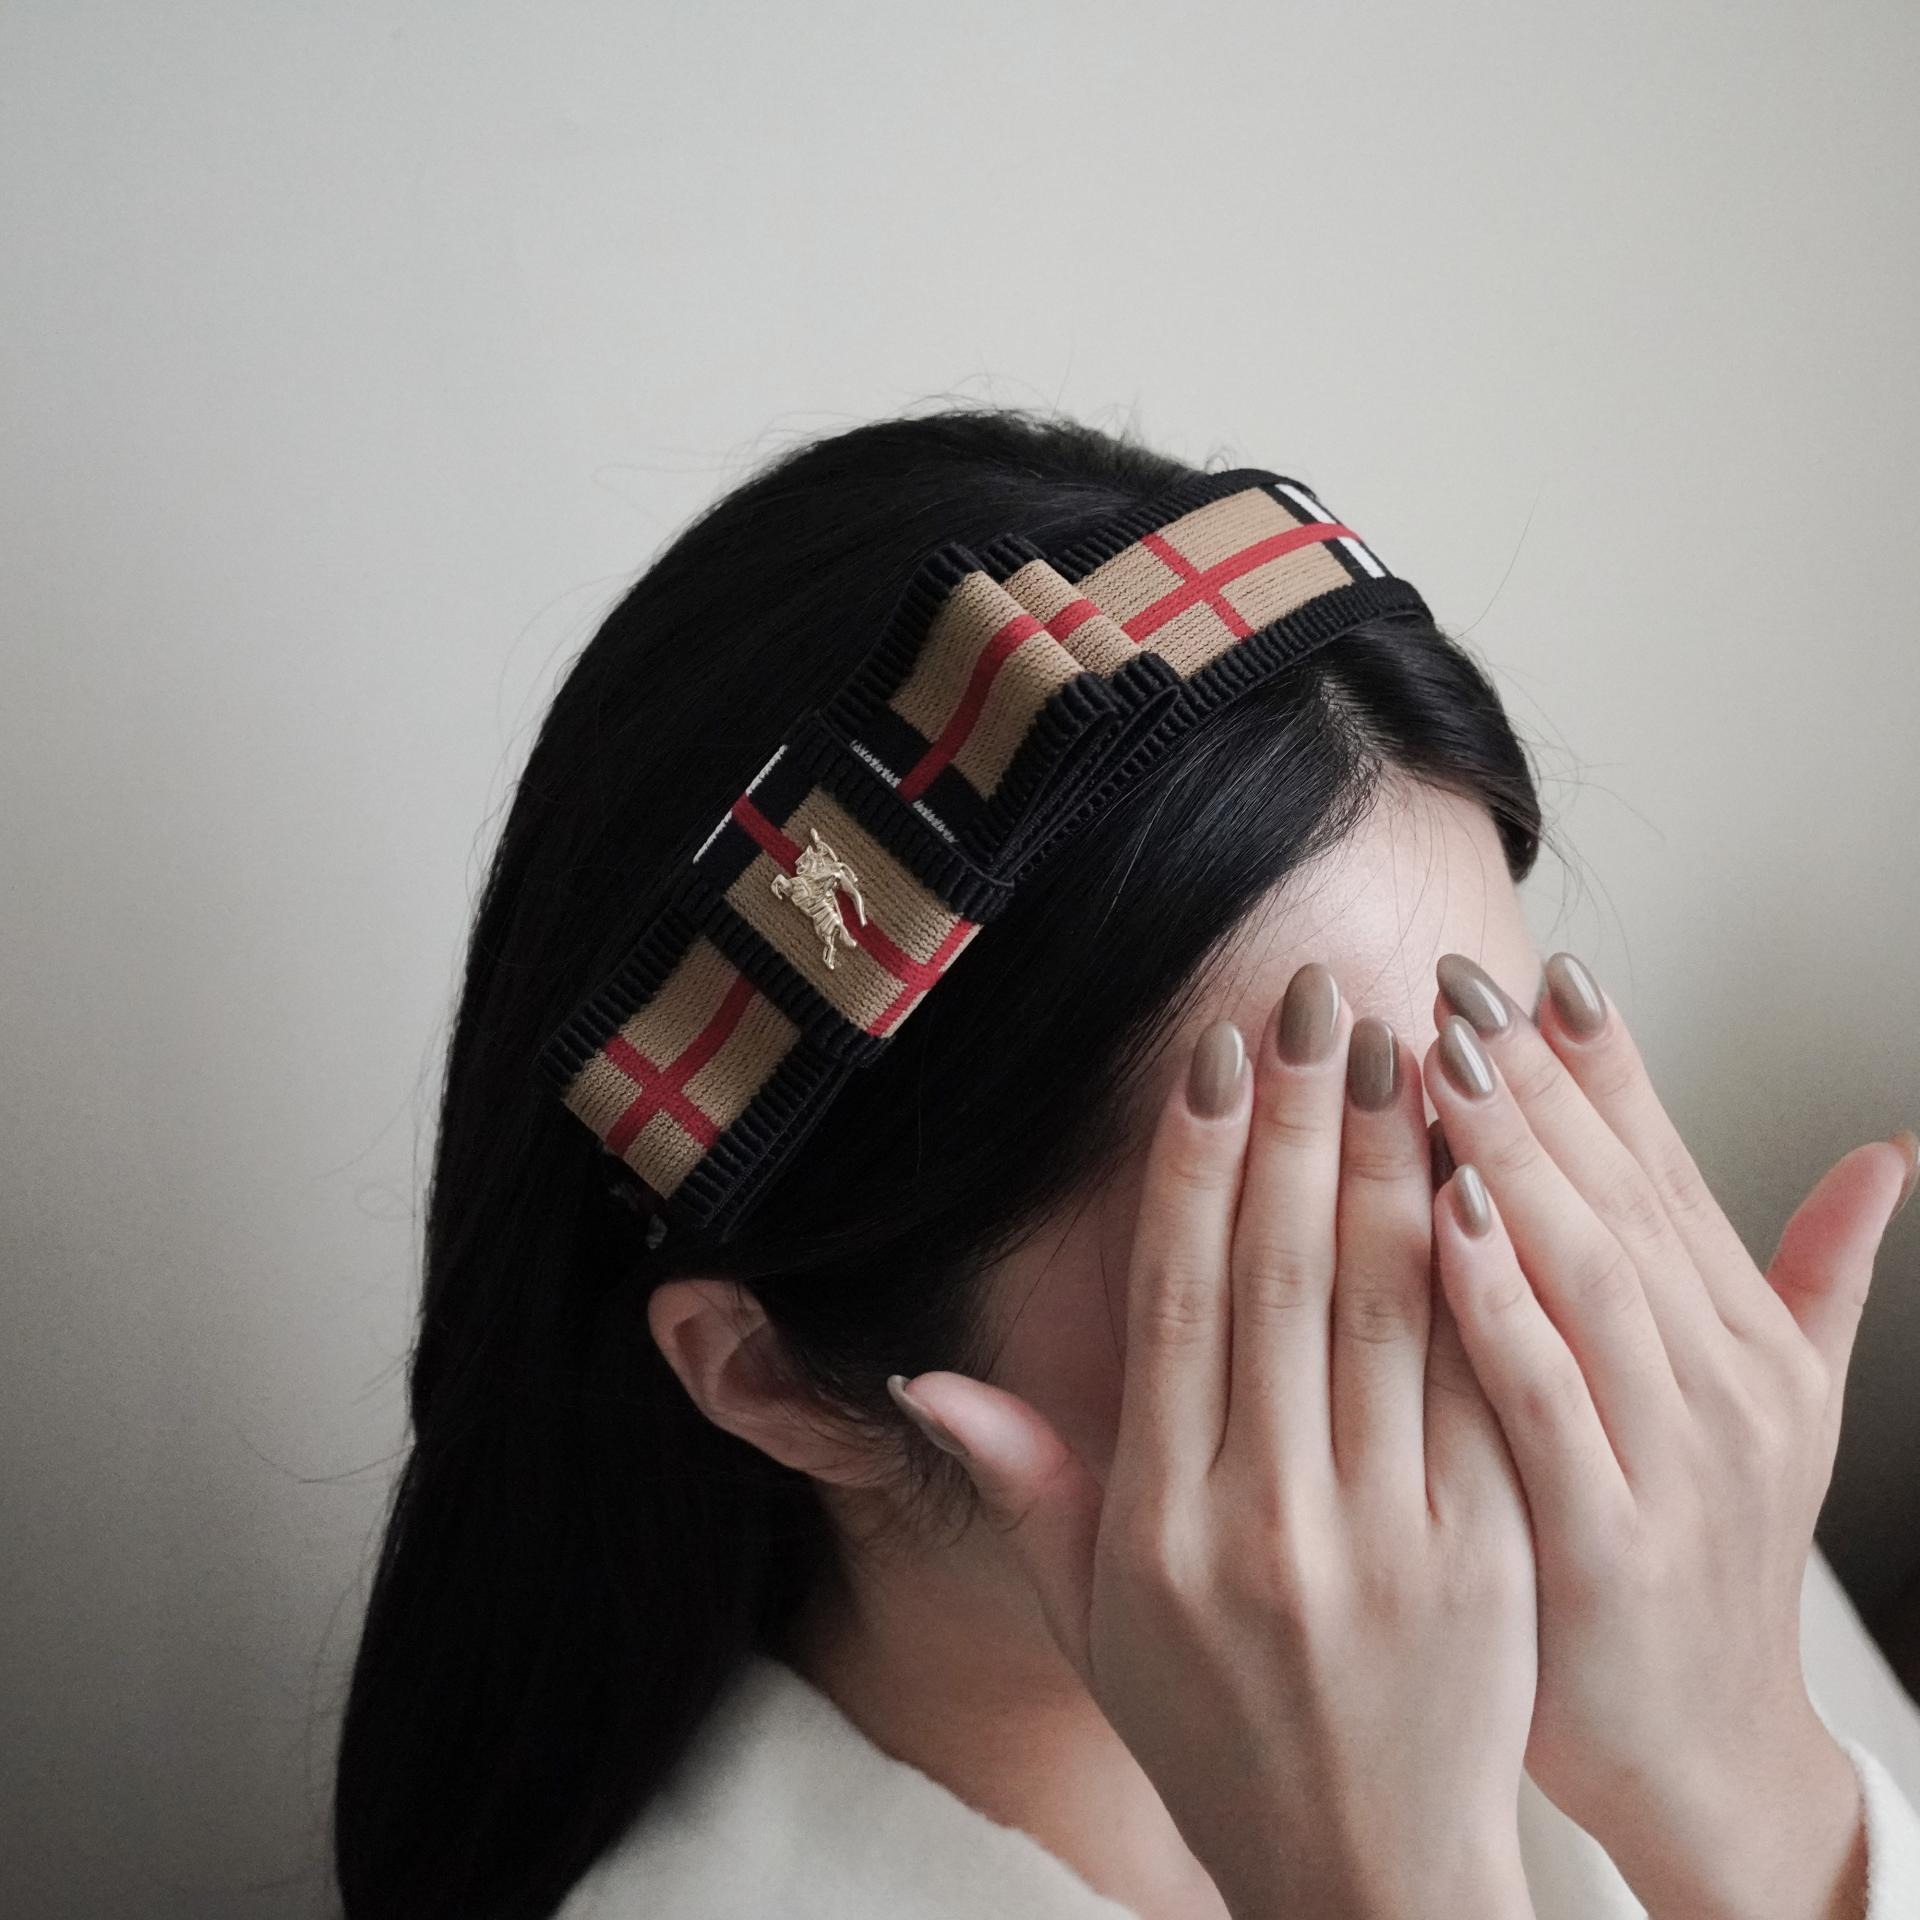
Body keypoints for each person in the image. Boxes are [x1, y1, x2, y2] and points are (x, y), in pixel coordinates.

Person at [331, 407, 1920, 1919]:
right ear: (772, 1376)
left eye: (1512, 1109)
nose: (1531, 1316)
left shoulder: (1660, 1552)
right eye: (1311, 1231)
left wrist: (1751, 1783)